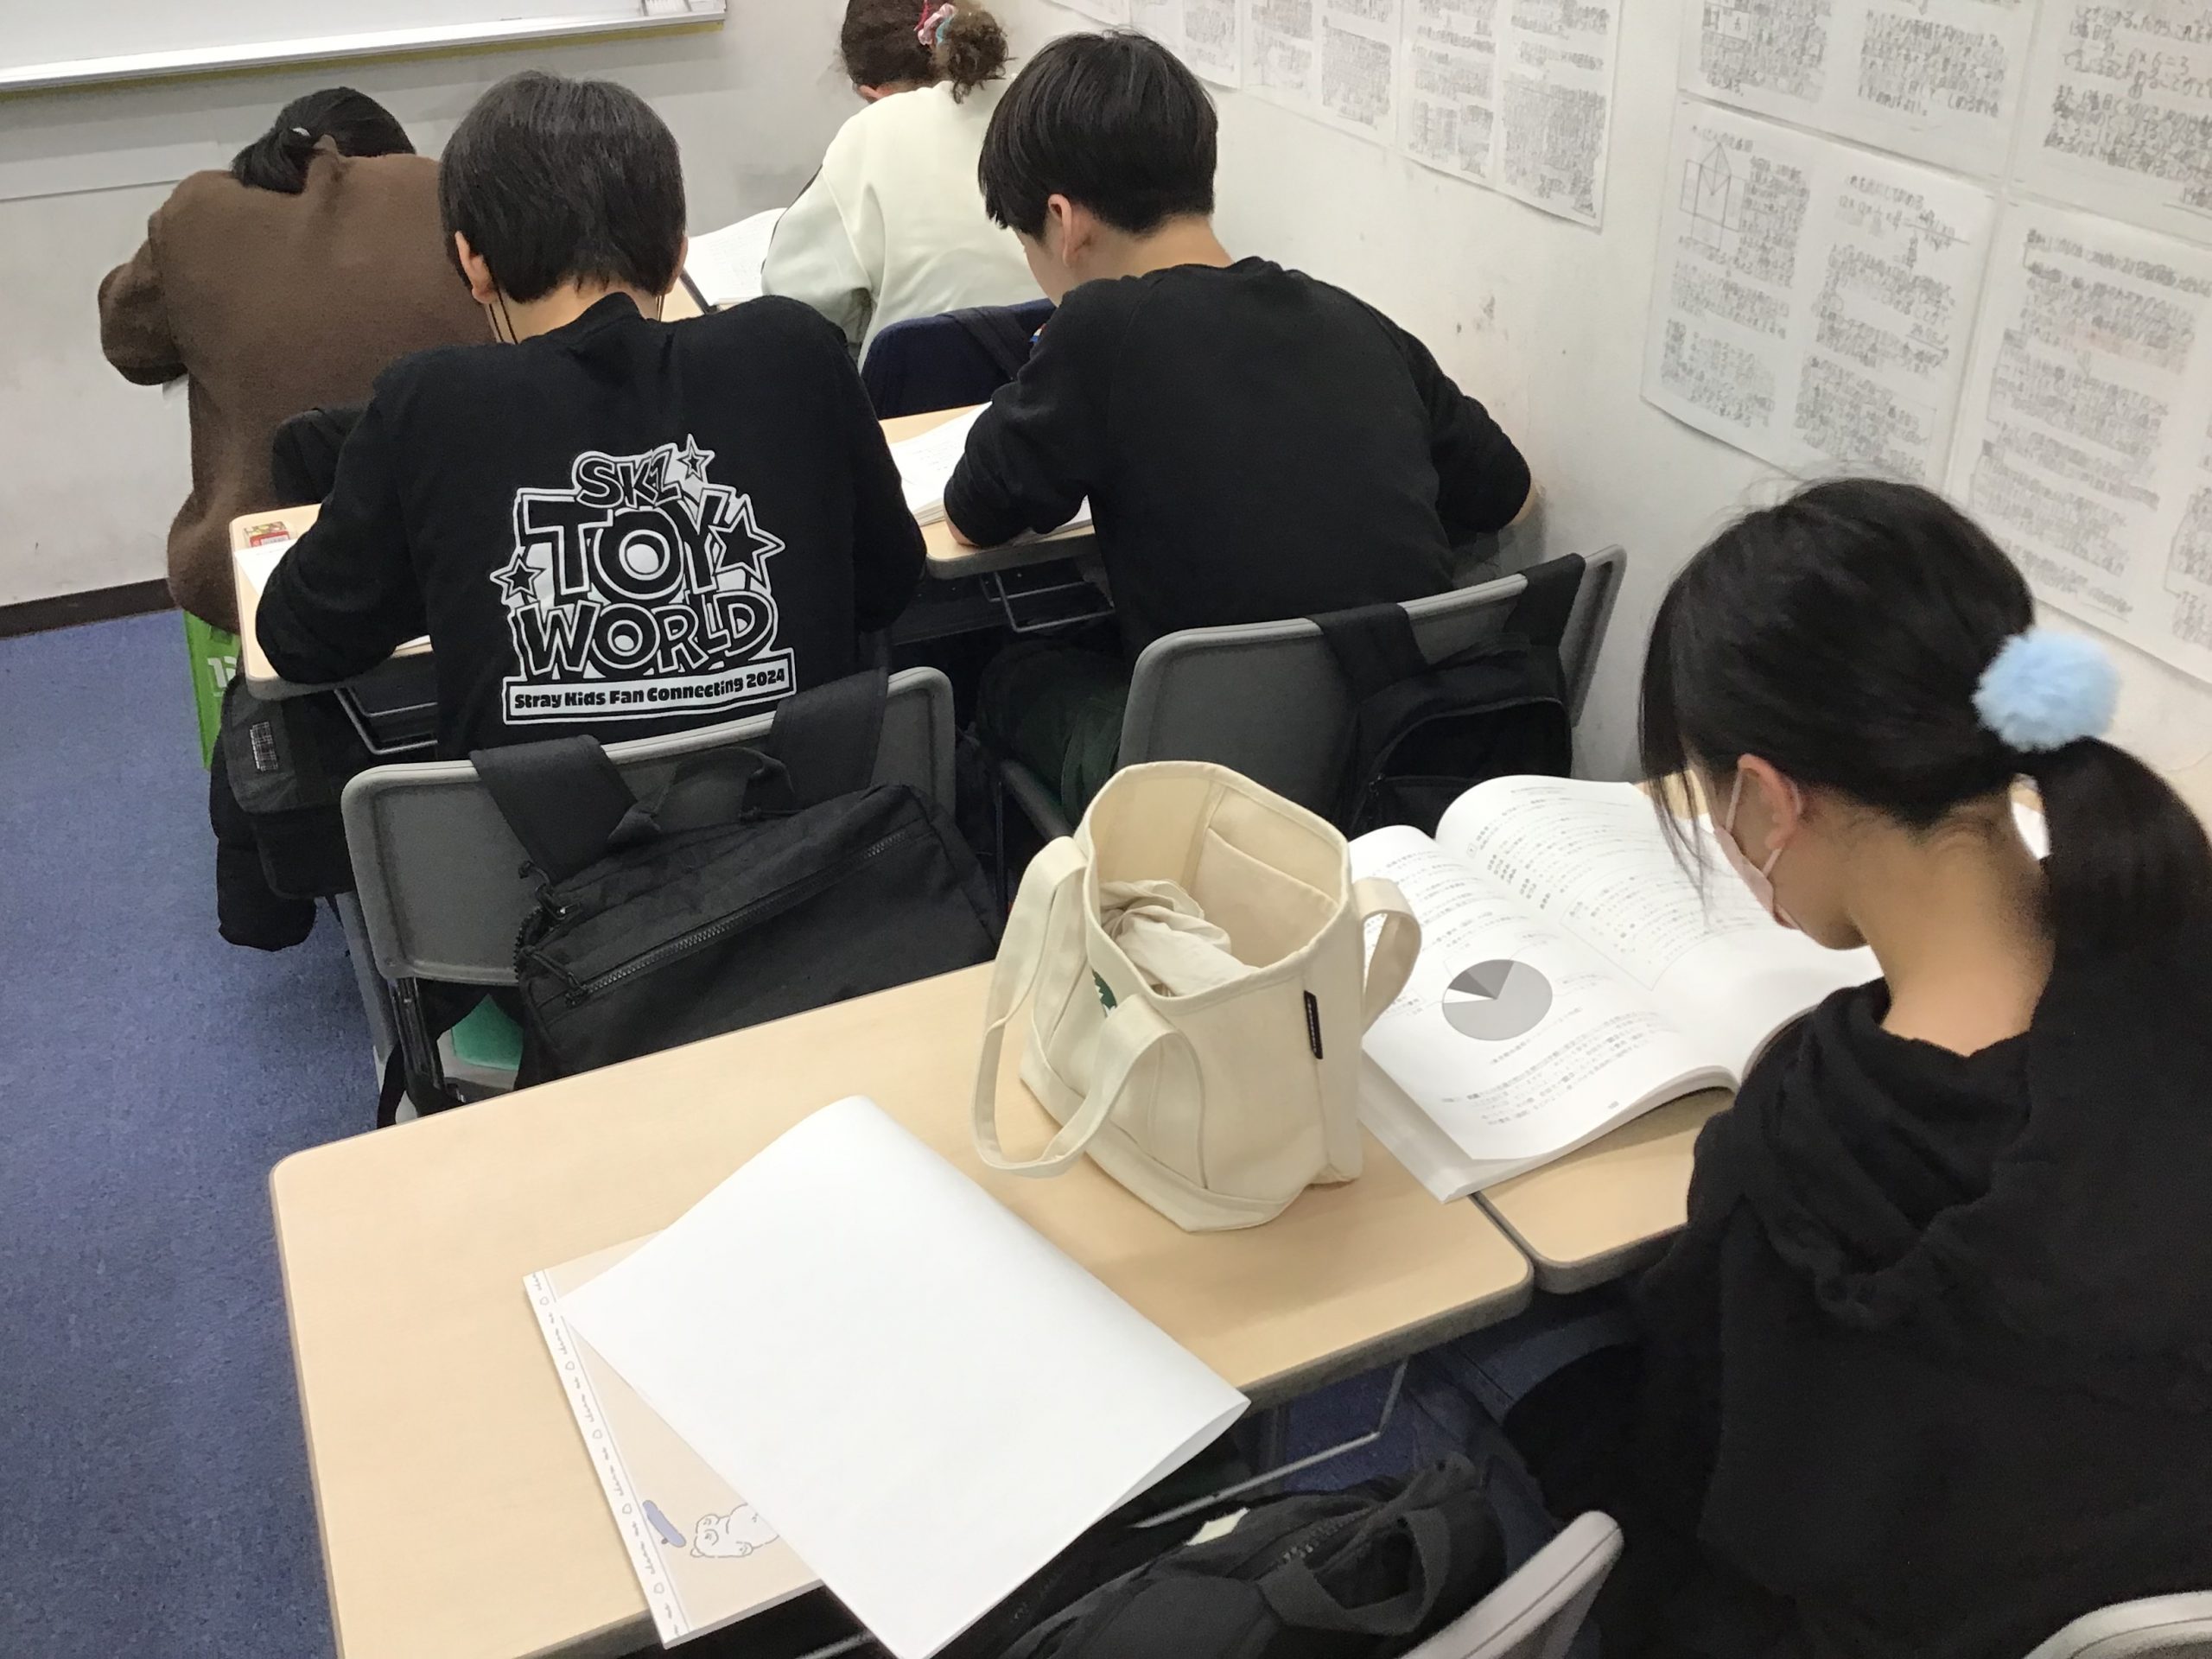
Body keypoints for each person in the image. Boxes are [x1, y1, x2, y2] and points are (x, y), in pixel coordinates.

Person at [1514, 480, 2212, 1657]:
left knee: (1492, 1376)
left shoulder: (1808, 1143)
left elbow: (1694, 1488)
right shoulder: (2174, 956)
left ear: (1768, 799)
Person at [943, 31, 1531, 816]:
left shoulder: (1098, 331)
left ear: (1064, 220)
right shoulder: (1351, 318)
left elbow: (975, 512)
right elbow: (1508, 493)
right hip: (1402, 754)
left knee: (1010, 672)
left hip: (1207, 787)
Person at [256, 71, 925, 758]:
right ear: (678, 254)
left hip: (533, 829)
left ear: (471, 261)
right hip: (804, 812)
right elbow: (888, 583)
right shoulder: (794, 351)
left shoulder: (428, 403)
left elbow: (298, 639)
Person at [98, 88, 481, 632]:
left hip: (264, 585)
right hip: (461, 572)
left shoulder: (197, 217)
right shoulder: (451, 199)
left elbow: (131, 351)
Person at [761, 0, 1038, 358]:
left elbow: (792, 306)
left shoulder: (871, 134)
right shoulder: (1039, 103)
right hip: (1058, 371)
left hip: (923, 387)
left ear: (872, 94)